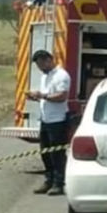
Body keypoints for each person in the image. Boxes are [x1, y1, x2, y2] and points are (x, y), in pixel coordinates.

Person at [26, 50, 71, 196]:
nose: (40, 69)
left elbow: (62, 96)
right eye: (38, 66)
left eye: (41, 65)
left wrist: (43, 96)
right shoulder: (45, 77)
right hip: (45, 119)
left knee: (57, 154)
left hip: (57, 120)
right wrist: (36, 97)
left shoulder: (61, 75)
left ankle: (59, 183)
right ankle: (49, 180)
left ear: (48, 60)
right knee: (45, 153)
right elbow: (46, 96)